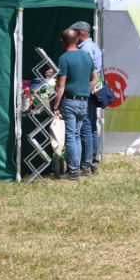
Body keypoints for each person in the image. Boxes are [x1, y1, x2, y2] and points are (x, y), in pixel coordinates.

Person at [51, 29, 98, 181]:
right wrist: (85, 91)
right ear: (77, 39)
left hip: (70, 101)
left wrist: (55, 106)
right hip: (83, 102)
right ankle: (76, 169)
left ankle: (73, 173)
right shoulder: (86, 56)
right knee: (76, 136)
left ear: (62, 41)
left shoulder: (64, 58)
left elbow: (60, 85)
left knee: (71, 136)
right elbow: (95, 79)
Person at [69, 21, 103, 175]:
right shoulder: (93, 46)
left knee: (86, 128)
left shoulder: (85, 49)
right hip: (93, 90)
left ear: (80, 33)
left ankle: (85, 165)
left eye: (74, 33)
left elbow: (84, 72)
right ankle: (93, 163)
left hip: (86, 91)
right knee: (93, 128)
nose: (73, 36)